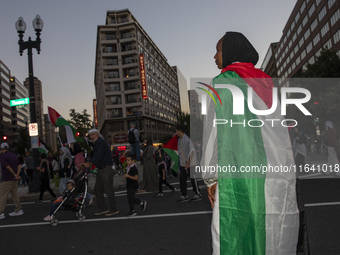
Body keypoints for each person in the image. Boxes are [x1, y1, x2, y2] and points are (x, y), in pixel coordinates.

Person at [203, 32, 299, 254]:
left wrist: (210, 178)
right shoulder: (267, 83)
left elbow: (212, 134)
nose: (214, 56)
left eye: (217, 50)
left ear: (229, 52)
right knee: (273, 231)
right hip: (276, 172)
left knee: (234, 231)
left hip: (238, 172)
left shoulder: (221, 83)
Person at [83, 129, 119, 216]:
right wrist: (88, 162)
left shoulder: (101, 142)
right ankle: (103, 208)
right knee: (97, 189)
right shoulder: (96, 144)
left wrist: (90, 163)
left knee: (108, 189)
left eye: (93, 135)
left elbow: (98, 155)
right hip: (101, 169)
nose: (91, 137)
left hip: (106, 168)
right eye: (90, 135)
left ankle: (113, 209)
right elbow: (94, 155)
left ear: (97, 134)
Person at [176, 125, 201, 203]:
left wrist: (188, 163)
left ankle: (198, 194)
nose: (176, 132)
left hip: (191, 163)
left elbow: (192, 151)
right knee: (182, 179)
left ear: (179, 131)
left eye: (176, 131)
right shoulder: (180, 140)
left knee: (193, 179)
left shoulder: (187, 139)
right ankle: (184, 195)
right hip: (184, 163)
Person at [0, 142, 24, 219]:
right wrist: (17, 174)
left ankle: (1, 213)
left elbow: (7, 167)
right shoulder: (13, 155)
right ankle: (18, 209)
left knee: (3, 196)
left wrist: (14, 174)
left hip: (7, 178)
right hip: (14, 179)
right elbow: (19, 165)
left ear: (1, 149)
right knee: (15, 194)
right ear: (8, 148)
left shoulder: (3, 156)